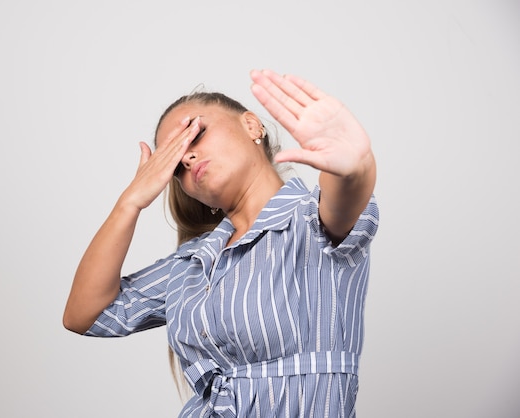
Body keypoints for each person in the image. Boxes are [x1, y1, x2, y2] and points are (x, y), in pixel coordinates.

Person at [63, 69, 379, 417]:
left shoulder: (311, 222)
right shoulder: (192, 263)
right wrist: (130, 202)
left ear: (252, 126)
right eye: (174, 164)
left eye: (194, 135)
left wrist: (356, 165)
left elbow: (347, 193)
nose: (186, 158)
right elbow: (83, 315)